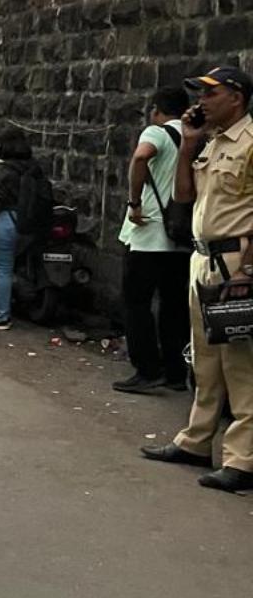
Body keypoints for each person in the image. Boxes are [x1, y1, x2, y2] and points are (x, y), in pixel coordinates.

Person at [141, 66, 253, 494]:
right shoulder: (212, 142)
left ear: (237, 97)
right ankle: (196, 440)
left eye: (212, 93)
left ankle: (243, 458)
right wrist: (188, 146)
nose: (201, 102)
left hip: (234, 260)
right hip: (203, 257)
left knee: (240, 365)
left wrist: (247, 270)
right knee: (204, 360)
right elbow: (184, 197)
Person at [112, 86, 191, 392]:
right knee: (173, 304)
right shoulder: (195, 137)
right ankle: (175, 371)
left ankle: (147, 369)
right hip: (180, 233)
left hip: (149, 232)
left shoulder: (157, 133)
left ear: (157, 109)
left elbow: (141, 157)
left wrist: (134, 202)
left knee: (136, 302)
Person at [0, 127, 42, 331]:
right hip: (28, 222)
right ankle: (2, 308)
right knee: (3, 268)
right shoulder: (33, 168)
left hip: (4, 221)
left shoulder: (2, 171)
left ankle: (0, 316)